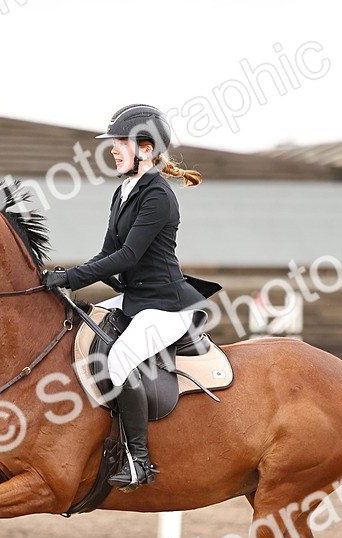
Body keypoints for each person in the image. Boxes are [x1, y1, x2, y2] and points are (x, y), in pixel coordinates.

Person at [43, 104, 221, 491]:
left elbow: (128, 257)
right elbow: (107, 253)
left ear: (145, 147)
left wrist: (72, 277)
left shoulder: (158, 195)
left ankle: (139, 461)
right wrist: (63, 277)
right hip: (136, 300)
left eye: (119, 142)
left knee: (120, 360)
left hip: (165, 305)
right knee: (81, 329)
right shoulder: (124, 191)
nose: (112, 149)